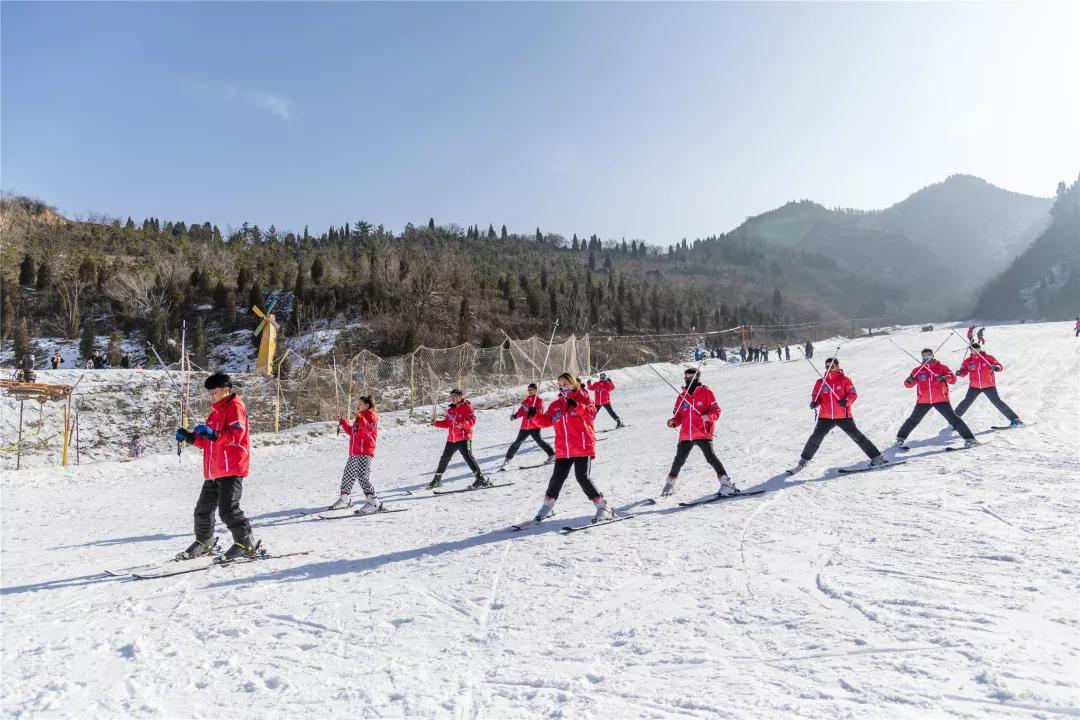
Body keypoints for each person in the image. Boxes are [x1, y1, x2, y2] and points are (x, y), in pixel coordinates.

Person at [174, 372, 258, 561]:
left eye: (215, 391)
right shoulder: (214, 413)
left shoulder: (235, 408)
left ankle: (245, 542)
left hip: (231, 468)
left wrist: (214, 434)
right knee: (202, 510)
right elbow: (208, 443)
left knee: (228, 509)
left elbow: (237, 435)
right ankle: (205, 542)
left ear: (226, 390)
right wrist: (190, 438)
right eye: (210, 392)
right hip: (214, 470)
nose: (211, 395)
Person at [529, 373, 613, 523]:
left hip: (582, 445)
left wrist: (577, 405)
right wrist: (535, 416)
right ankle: (548, 507)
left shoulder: (583, 398)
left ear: (573, 384)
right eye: (560, 383)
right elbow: (546, 421)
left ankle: (603, 507)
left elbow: (591, 414)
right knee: (557, 477)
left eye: (566, 383)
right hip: (564, 448)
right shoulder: (556, 405)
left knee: (582, 477)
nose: (563, 386)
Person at [792, 358, 886, 471]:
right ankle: (803, 461)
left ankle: (877, 457)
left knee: (857, 436)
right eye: (827, 367)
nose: (828, 369)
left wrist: (846, 402)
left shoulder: (845, 380)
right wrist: (815, 403)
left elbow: (853, 394)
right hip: (825, 417)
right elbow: (816, 396)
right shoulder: (821, 382)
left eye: (831, 366)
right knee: (815, 438)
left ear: (837, 366)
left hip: (843, 416)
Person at [660, 368, 737, 497]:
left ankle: (726, 484)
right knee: (678, 460)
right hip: (686, 434)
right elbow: (678, 417)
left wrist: (708, 416)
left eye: (691, 377)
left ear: (697, 378)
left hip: (703, 432)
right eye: (686, 377)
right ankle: (670, 484)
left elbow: (716, 410)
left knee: (711, 458)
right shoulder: (681, 396)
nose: (688, 379)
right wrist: (673, 422)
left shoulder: (706, 392)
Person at [895, 349, 977, 448]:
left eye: (928, 355)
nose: (926, 357)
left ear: (932, 356)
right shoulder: (918, 370)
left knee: (954, 419)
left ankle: (970, 439)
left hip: (941, 399)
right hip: (923, 400)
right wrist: (909, 381)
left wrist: (944, 378)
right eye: (924, 356)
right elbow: (908, 385)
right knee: (913, 420)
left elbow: (953, 379)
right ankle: (900, 438)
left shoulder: (942, 368)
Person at [428, 389, 487, 490]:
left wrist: (463, 424)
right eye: (451, 397)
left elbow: (473, 420)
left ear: (460, 397)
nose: (452, 398)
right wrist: (436, 423)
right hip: (452, 439)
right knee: (444, 458)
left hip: (464, 437)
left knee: (468, 457)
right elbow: (447, 423)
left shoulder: (467, 406)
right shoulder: (451, 409)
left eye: (455, 396)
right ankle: (437, 480)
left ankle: (480, 479)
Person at [330, 396, 382, 511]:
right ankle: (344, 499)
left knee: (362, 476)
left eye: (361, 404)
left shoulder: (371, 415)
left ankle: (373, 502)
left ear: (367, 405)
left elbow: (368, 429)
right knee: (348, 476)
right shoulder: (360, 417)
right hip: (355, 452)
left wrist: (359, 416)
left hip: (365, 451)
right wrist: (342, 421)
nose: (359, 406)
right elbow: (351, 432)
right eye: (359, 403)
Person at [954, 343, 1021, 426]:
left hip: (989, 386)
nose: (975, 351)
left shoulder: (988, 358)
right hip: (974, 387)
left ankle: (1014, 419)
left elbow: (999, 366)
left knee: (997, 402)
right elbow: (964, 372)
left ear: (980, 349)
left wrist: (996, 367)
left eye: (977, 349)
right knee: (967, 401)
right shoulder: (968, 361)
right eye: (973, 349)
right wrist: (960, 373)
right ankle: (954, 419)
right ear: (970, 350)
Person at [501, 383, 555, 470]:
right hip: (525, 427)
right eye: (528, 390)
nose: (529, 392)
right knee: (517, 443)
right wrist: (515, 416)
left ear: (535, 390)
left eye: (531, 390)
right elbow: (521, 411)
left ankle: (552, 455)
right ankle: (508, 459)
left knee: (540, 441)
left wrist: (534, 411)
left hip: (534, 426)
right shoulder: (526, 401)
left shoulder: (539, 401)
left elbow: (540, 412)